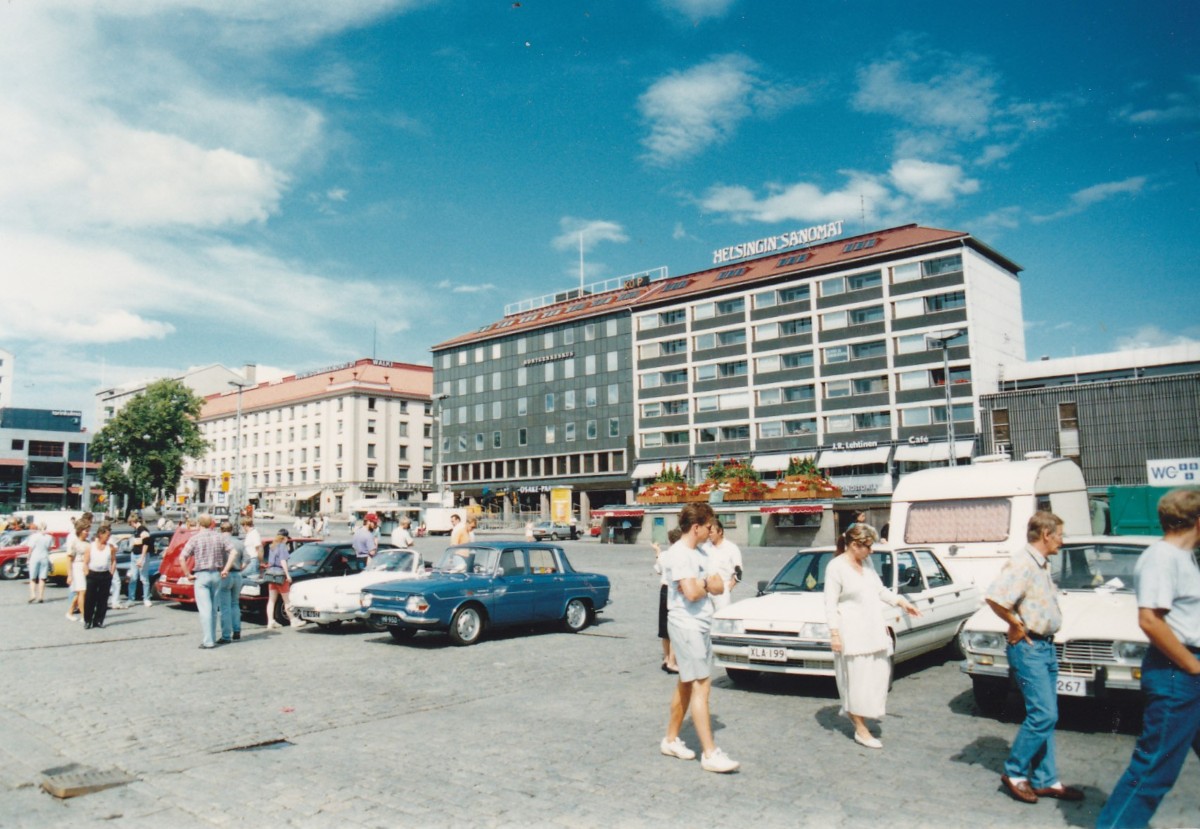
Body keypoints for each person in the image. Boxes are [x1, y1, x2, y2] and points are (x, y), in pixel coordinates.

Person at [1096, 489, 1200, 829]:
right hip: (1178, 672)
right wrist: (1193, 665)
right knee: (1155, 768)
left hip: (1187, 667)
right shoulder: (1162, 557)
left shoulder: (1185, 558)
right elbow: (1150, 621)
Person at [986, 511, 1083, 804]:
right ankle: (1014, 772)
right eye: (1060, 536)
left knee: (1047, 715)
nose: (1062, 542)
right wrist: (1016, 624)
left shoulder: (1040, 564)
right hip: (1030, 649)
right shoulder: (1022, 563)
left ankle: (1045, 780)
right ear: (1046, 535)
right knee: (1044, 714)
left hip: (1046, 647)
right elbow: (995, 597)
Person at [824, 524, 920, 749]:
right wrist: (834, 634)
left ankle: (862, 716)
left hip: (874, 629)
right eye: (868, 547)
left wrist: (902, 603)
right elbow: (829, 603)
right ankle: (860, 728)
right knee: (856, 682)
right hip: (852, 632)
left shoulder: (866, 563)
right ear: (855, 545)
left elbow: (880, 591)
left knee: (876, 679)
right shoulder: (835, 567)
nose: (872, 551)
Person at [659, 502, 739, 773]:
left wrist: (701, 584)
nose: (711, 531)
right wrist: (704, 584)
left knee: (685, 682)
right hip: (686, 624)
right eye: (708, 527)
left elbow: (718, 584)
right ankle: (710, 752)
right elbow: (693, 592)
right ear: (696, 528)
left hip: (702, 623)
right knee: (701, 686)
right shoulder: (679, 554)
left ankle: (670, 739)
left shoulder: (703, 551)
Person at [179, 514, 234, 649]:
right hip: (216, 573)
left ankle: (208, 641)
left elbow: (182, 558)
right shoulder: (219, 537)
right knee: (214, 608)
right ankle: (213, 637)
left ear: (199, 524)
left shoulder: (195, 538)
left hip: (201, 575)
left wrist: (187, 574)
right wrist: (226, 569)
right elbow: (233, 552)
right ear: (211, 524)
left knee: (205, 610)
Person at [654, 528, 683, 674]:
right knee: (674, 627)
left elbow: (658, 569)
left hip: (664, 590)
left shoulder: (665, 555)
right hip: (675, 591)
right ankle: (672, 660)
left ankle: (666, 657)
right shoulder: (680, 554)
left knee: (664, 627)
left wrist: (657, 552)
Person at [264, 528, 304, 629]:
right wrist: (287, 574)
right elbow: (283, 561)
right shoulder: (282, 547)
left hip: (271, 574)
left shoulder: (272, 546)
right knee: (287, 600)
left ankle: (271, 621)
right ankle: (293, 620)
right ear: (285, 538)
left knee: (271, 600)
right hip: (280, 575)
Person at [704, 519, 743, 611]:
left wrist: (728, 588)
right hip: (707, 589)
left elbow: (739, 573)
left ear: (720, 532)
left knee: (722, 621)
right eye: (708, 532)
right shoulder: (705, 547)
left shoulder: (732, 548)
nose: (709, 534)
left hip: (723, 590)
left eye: (711, 532)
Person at [83, 524, 117, 629]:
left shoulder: (110, 547)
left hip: (105, 575)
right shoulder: (91, 546)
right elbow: (85, 562)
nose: (108, 537)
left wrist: (111, 573)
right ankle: (88, 620)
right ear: (100, 534)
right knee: (90, 599)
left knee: (102, 599)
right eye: (107, 535)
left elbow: (113, 561)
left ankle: (98, 620)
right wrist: (86, 573)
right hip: (92, 574)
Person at [216, 521, 245, 643]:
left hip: (224, 574)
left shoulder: (219, 542)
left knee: (224, 606)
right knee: (235, 603)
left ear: (221, 530)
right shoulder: (239, 542)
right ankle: (237, 631)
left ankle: (226, 635)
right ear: (232, 530)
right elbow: (246, 561)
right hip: (237, 574)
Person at [126, 514, 153, 606]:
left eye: (130, 524)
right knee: (133, 577)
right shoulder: (136, 531)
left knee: (144, 578)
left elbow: (146, 544)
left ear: (133, 522)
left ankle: (146, 598)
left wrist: (142, 558)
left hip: (141, 556)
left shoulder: (143, 530)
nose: (131, 526)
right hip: (134, 555)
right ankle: (131, 599)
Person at [65, 521, 90, 621]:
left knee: (81, 592)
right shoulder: (75, 542)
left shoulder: (88, 542)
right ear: (80, 531)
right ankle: (84, 616)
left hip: (86, 567)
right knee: (82, 591)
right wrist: (69, 575)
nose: (87, 533)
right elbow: (69, 558)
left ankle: (70, 612)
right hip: (77, 566)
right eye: (86, 531)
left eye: (88, 531)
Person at [26, 522, 53, 604]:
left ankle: (33, 594)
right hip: (44, 557)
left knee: (33, 578)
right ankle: (41, 596)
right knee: (42, 578)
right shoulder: (49, 537)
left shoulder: (34, 536)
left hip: (35, 557)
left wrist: (28, 557)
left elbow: (30, 548)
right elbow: (49, 548)